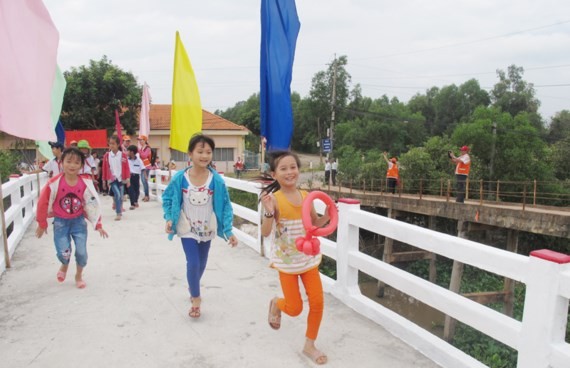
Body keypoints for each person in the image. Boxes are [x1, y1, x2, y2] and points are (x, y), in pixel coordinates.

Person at [259, 151, 331, 365]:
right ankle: (276, 303)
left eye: (293, 167)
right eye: (283, 168)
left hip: (308, 260)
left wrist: (327, 215)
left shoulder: (306, 195)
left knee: (317, 302)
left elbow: (316, 224)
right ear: (274, 174)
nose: (290, 172)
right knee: (295, 308)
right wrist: (269, 212)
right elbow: (264, 232)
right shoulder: (275, 200)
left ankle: (310, 345)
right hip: (287, 263)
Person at [162, 133, 238, 319]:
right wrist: (169, 218)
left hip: (207, 229)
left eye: (208, 152)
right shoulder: (181, 178)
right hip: (186, 229)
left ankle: (192, 283)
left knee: (202, 263)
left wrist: (228, 231)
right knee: (193, 262)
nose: (204, 156)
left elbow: (226, 206)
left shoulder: (217, 181)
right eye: (200, 151)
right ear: (190, 154)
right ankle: (196, 298)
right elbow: (168, 198)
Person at [35, 147, 108, 289]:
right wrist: (42, 223)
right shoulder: (54, 183)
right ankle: (64, 264)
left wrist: (97, 223)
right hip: (60, 223)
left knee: (81, 252)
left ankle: (78, 276)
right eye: (68, 161)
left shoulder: (84, 183)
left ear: (81, 165)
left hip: (78, 222)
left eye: (76, 162)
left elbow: (91, 204)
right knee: (64, 252)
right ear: (61, 163)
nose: (72, 165)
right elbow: (42, 202)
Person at [102, 136, 131, 220]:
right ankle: (118, 213)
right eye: (110, 143)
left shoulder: (123, 155)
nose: (111, 145)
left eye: (113, 144)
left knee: (121, 196)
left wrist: (128, 179)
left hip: (121, 178)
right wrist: (104, 180)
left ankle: (119, 209)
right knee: (117, 194)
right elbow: (104, 168)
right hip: (112, 179)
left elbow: (127, 167)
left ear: (118, 144)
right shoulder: (107, 156)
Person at [126, 145, 144, 210]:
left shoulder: (139, 160)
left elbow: (143, 168)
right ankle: (132, 204)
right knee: (131, 190)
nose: (126, 152)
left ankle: (135, 201)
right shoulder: (126, 160)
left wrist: (145, 176)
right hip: (129, 177)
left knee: (137, 190)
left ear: (132, 152)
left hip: (136, 176)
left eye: (128, 151)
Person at [137, 135, 151, 202]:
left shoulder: (147, 148)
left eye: (141, 140)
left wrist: (139, 151)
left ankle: (147, 196)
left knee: (144, 181)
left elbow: (144, 156)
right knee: (143, 181)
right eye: (139, 140)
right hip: (142, 166)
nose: (140, 141)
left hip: (147, 166)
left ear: (145, 140)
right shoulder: (141, 148)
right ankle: (146, 195)